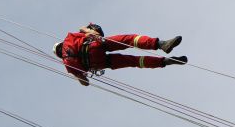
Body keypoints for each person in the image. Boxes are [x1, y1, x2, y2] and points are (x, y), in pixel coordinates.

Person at [53, 23, 187, 86]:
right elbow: (91, 33)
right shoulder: (69, 38)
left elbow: (85, 82)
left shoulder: (67, 64)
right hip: (96, 45)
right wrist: (92, 32)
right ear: (60, 44)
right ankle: (161, 44)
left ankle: (165, 61)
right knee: (130, 40)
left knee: (135, 62)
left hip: (100, 63)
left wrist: (79, 77)